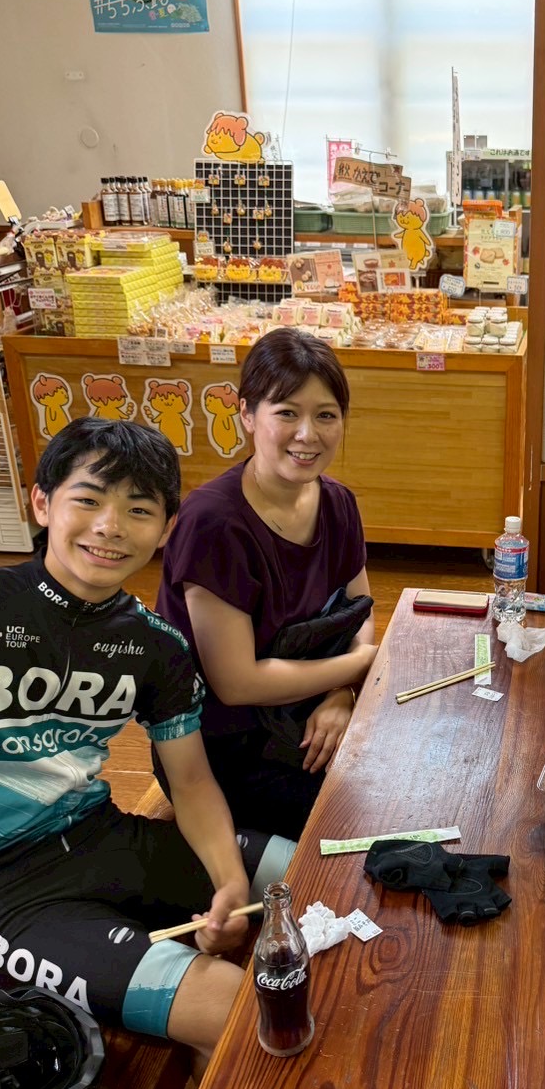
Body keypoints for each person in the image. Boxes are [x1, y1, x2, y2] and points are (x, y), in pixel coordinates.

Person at [0, 418, 295, 1072]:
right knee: (238, 1009)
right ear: (42, 503)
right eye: (88, 499)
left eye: (138, 509)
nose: (110, 526)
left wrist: (227, 881)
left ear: (166, 528)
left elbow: (190, 782)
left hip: (104, 838)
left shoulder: (156, 645)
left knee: (309, 872)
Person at [156, 329, 376, 838]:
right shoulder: (214, 522)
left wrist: (342, 692)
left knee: (417, 777)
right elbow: (237, 684)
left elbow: (359, 610)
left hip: (307, 715)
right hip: (223, 750)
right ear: (247, 415)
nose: (308, 434)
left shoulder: (338, 502)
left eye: (326, 415)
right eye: (287, 413)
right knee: (367, 825)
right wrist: (362, 666)